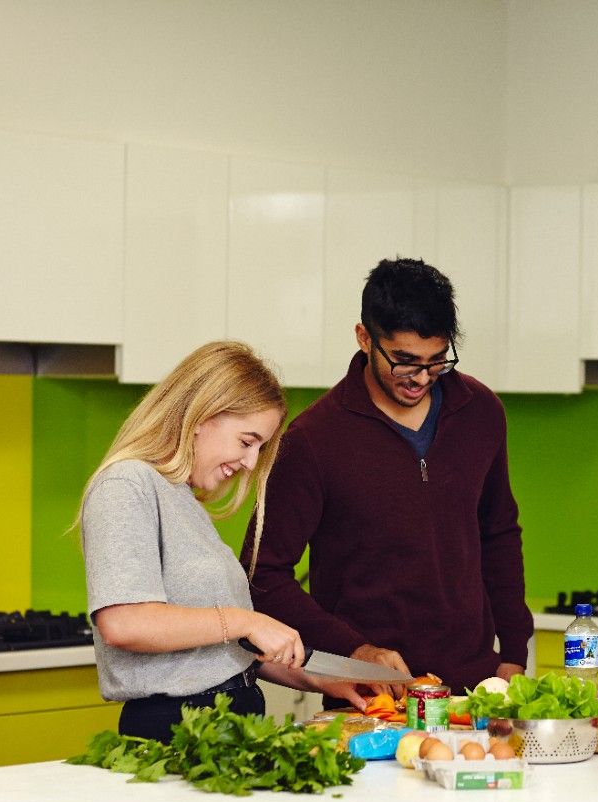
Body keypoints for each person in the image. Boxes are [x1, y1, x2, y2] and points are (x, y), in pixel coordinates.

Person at [243, 258, 532, 698]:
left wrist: (513, 649)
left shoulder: (482, 412)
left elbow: (499, 535)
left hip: (473, 687)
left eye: (437, 362)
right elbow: (262, 574)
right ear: (364, 338)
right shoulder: (313, 439)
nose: (421, 378)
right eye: (404, 361)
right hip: (371, 695)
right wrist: (354, 649)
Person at [78, 341, 367, 743]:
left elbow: (220, 652)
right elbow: (124, 622)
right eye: (247, 442)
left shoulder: (180, 497)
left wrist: (323, 681)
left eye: (260, 448)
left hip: (229, 721)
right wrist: (249, 620)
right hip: (175, 728)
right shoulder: (127, 484)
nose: (251, 462)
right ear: (202, 415)